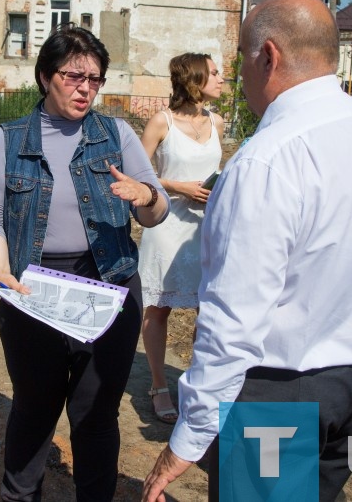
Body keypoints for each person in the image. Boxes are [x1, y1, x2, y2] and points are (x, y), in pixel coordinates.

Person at [142, 0, 352, 502]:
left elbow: (234, 321)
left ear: (268, 57)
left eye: (241, 62)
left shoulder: (265, 162)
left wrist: (187, 438)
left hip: (280, 395)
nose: (238, 77)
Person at [0, 25, 169, 501]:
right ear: (45, 76)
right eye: (74, 76)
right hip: (32, 287)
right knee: (35, 408)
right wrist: (0, 272)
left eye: (95, 79)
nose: (86, 88)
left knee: (96, 412)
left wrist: (144, 195)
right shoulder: (10, 139)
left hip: (107, 285)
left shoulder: (115, 134)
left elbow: (156, 206)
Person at [137, 52, 225, 424]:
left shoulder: (217, 122)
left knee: (209, 313)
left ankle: (197, 386)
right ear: (194, 79)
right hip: (167, 225)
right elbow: (136, 175)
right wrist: (176, 185)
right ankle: (159, 385)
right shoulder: (161, 122)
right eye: (215, 73)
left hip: (205, 231)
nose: (222, 79)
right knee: (159, 308)